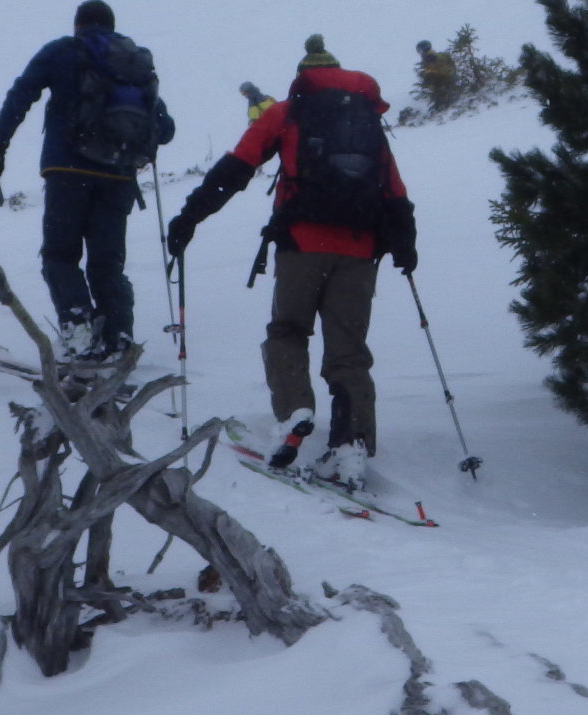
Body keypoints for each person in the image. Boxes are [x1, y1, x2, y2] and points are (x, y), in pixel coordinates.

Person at [164, 35, 416, 490]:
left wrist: (190, 217)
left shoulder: (286, 112)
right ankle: (350, 446)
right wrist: (405, 245)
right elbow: (394, 190)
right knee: (348, 352)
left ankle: (294, 413)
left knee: (288, 331)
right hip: (360, 250)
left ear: (304, 77)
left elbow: (235, 169)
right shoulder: (367, 120)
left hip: (302, 244)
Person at [0, 0, 173, 363]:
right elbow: (165, 129)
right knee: (107, 264)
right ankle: (118, 340)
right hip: (118, 176)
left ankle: (80, 335)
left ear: (78, 25)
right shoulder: (132, 64)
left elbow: (20, 95)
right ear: (111, 26)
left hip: (67, 171)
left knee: (60, 255)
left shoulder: (62, 51)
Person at [414, 39, 458, 113]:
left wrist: (430, 73)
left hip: (445, 78)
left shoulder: (431, 57)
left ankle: (444, 104)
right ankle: (440, 103)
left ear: (424, 49)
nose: (419, 53)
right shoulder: (429, 57)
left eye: (420, 50)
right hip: (446, 77)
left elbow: (443, 69)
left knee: (439, 88)